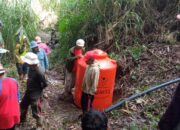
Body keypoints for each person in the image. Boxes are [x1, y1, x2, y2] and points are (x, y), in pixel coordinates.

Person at [20, 52, 47, 129]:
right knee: (23, 105)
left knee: (35, 108)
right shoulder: (31, 68)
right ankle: (22, 120)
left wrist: (39, 91)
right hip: (29, 90)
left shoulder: (40, 71)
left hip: (35, 93)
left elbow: (45, 83)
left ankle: (40, 125)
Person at [0, 64, 20, 130]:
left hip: (3, 116)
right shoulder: (14, 81)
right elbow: (18, 98)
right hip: (14, 112)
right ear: (5, 72)